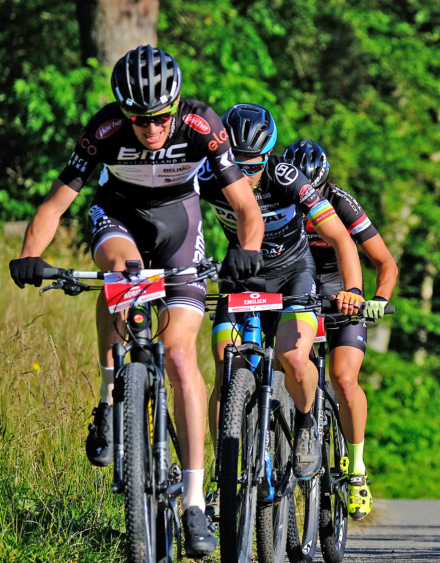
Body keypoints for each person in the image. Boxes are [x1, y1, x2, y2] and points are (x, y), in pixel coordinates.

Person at [8, 46, 264, 555]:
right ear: (124, 114)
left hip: (178, 224)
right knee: (121, 274)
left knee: (180, 356)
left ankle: (193, 502)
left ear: (175, 108)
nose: (152, 130)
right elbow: (59, 199)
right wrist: (29, 255)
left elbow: (245, 205)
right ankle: (110, 401)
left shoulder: (200, 124)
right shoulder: (103, 131)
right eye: (140, 121)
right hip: (119, 218)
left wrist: (249, 252)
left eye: (160, 119)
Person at [200, 105, 364, 511]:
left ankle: (307, 424)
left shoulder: (288, 178)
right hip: (242, 272)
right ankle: (225, 471)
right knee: (226, 365)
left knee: (293, 355)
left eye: (254, 165)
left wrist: (355, 290)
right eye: (236, 164)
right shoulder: (208, 176)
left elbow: (342, 240)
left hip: (294, 273)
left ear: (269, 156)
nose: (245, 174)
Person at [283, 139, 399, 521]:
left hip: (340, 290)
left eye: (313, 191)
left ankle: (357, 470)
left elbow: (384, 262)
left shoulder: (342, 203)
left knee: (343, 377)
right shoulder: (279, 193)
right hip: (295, 285)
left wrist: (376, 298)